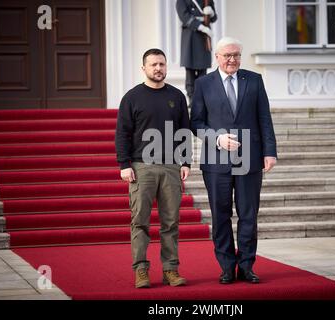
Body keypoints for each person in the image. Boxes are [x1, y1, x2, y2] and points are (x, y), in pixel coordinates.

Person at [190, 37, 277, 284]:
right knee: (221, 215)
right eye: (227, 55)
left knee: (249, 215)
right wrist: (217, 138)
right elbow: (196, 122)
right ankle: (227, 266)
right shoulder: (203, 84)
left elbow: (264, 118)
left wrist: (269, 152)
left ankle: (247, 265)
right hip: (216, 161)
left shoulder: (255, 80)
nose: (232, 60)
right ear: (217, 57)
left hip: (250, 158)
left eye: (237, 55)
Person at [115, 48, 191, 288]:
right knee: (140, 221)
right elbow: (122, 133)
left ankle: (171, 269)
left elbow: (184, 132)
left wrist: (185, 161)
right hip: (141, 167)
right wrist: (124, 164)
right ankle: (141, 270)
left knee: (171, 222)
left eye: (162, 64)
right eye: (153, 65)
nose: (158, 68)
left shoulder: (177, 96)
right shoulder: (132, 97)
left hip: (170, 167)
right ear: (144, 68)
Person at [176, 0, 217, 105]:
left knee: (203, 70)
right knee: (190, 69)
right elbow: (184, 16)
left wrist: (211, 13)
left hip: (203, 37)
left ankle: (202, 97)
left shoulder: (208, 0)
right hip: (190, 35)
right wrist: (201, 27)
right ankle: (191, 98)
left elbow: (214, 18)